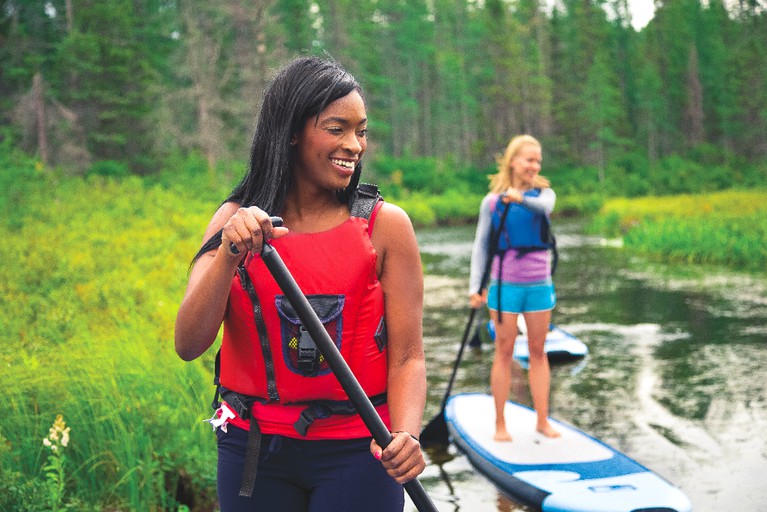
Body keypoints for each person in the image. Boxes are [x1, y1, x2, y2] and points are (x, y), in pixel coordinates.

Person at [174, 56, 427, 512]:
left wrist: (406, 433)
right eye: (336, 129)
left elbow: (408, 356)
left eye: (361, 131)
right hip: (252, 448)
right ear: (291, 132)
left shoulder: (387, 227)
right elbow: (189, 343)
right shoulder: (233, 221)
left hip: (362, 448)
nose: (354, 145)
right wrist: (229, 255)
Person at [468, 134, 560, 442]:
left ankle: (543, 421)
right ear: (513, 162)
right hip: (505, 286)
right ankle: (499, 425)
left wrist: (519, 197)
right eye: (529, 160)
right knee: (504, 352)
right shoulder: (491, 203)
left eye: (538, 161)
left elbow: (542, 209)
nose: (535, 166)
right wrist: (475, 287)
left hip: (539, 285)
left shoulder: (544, 195)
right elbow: (481, 246)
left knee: (538, 351)